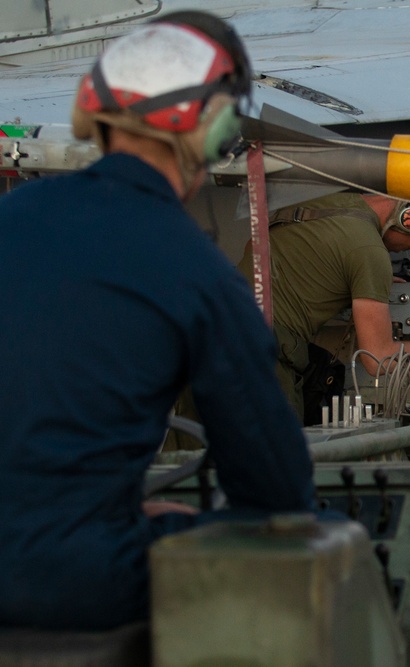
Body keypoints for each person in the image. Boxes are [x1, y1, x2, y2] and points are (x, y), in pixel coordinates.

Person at [0, 12, 321, 631]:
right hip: (67, 582)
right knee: (324, 535)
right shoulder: (196, 270)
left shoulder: (14, 215)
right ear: (218, 128)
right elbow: (277, 492)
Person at [235, 193, 410, 423]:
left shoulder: (328, 202)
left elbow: (256, 246)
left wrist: (362, 280)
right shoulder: (369, 252)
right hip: (261, 362)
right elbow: (378, 359)